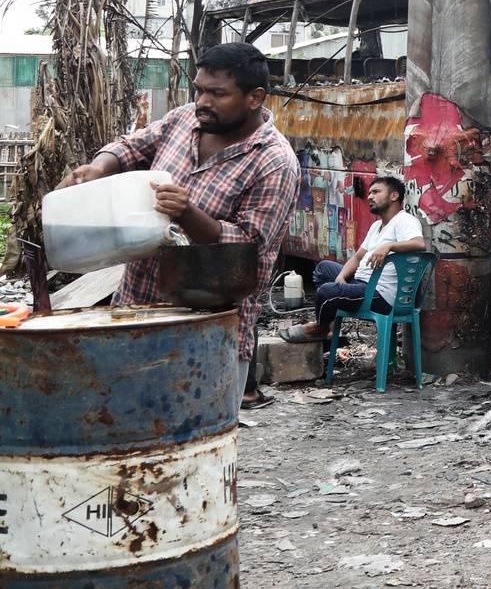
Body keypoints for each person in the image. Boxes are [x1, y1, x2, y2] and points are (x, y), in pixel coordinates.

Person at [60, 42, 301, 410]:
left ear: (255, 98)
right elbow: (130, 147)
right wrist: (99, 167)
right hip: (135, 312)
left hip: (206, 331)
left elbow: (250, 247)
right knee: (123, 433)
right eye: (199, 89)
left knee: (195, 444)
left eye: (217, 93)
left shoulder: (274, 162)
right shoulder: (184, 119)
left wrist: (188, 214)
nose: (203, 101)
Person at [283, 176, 425, 343]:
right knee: (323, 268)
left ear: (394, 196)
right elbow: (358, 257)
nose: (370, 196)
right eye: (370, 192)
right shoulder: (376, 226)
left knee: (327, 292)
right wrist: (342, 277)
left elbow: (419, 243)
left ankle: (321, 328)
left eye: (376, 192)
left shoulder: (404, 220)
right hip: (362, 283)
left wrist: (389, 246)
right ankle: (330, 322)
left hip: (380, 295)